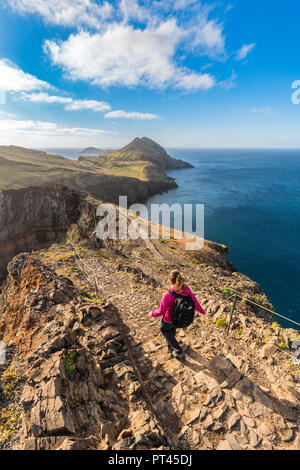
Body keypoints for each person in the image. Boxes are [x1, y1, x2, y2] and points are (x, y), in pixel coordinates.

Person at [149, 270, 205, 361]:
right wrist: (202, 311)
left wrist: (152, 313)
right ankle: (170, 344)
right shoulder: (186, 289)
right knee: (172, 330)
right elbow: (194, 302)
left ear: (170, 281)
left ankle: (179, 351)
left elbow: (161, 311)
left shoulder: (167, 294)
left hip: (168, 319)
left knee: (164, 330)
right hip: (179, 319)